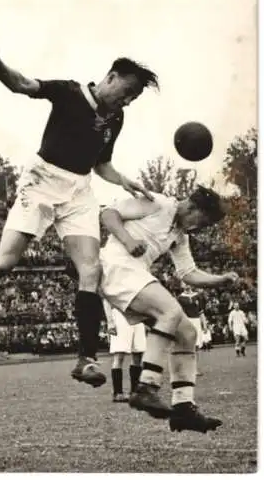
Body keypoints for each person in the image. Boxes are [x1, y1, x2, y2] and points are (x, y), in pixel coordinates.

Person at [0, 37, 158, 389]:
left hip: (79, 190)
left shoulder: (116, 118)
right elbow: (21, 84)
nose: (127, 101)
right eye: (127, 91)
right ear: (110, 77)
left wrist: (125, 181)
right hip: (42, 181)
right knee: (3, 263)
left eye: (133, 98)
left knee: (90, 269)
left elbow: (101, 164)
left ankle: (86, 359)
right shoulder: (68, 92)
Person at [99, 185, 240, 433]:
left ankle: (184, 408)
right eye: (202, 222)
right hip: (114, 267)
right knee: (171, 312)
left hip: (133, 275)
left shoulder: (180, 234)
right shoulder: (158, 203)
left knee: (187, 333)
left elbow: (188, 273)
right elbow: (108, 214)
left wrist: (220, 279)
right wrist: (128, 240)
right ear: (192, 207)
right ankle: (146, 387)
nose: (199, 228)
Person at [104, 299, 146, 402]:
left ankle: (134, 392)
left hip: (137, 315)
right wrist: (110, 321)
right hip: (120, 315)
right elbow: (106, 300)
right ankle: (118, 393)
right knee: (119, 355)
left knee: (138, 354)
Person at [177, 284, 205, 375]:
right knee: (187, 346)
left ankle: (195, 369)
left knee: (196, 346)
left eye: (188, 283)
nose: (186, 285)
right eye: (184, 283)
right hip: (187, 321)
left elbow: (201, 312)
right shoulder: (180, 298)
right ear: (182, 285)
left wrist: (204, 324)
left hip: (196, 321)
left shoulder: (197, 296)